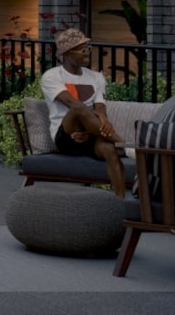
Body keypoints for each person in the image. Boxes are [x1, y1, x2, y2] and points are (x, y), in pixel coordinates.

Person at [41, 28, 126, 197]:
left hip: (90, 135)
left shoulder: (96, 77)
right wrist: (90, 122)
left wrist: (89, 130)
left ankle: (120, 206)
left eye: (89, 48)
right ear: (67, 53)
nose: (87, 53)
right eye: (82, 49)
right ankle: (126, 145)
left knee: (109, 150)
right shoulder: (52, 76)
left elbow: (100, 109)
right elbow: (72, 104)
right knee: (78, 109)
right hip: (66, 135)